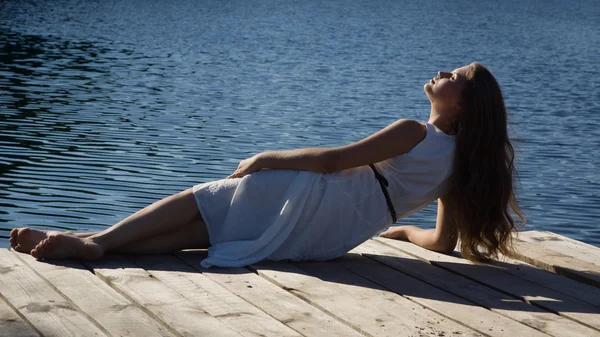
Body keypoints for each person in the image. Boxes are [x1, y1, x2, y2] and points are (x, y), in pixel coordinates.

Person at [9, 62, 525, 267]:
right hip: (334, 235)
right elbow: (443, 243)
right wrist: (394, 232)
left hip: (322, 197)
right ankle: (92, 240)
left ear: (462, 104)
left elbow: (331, 162)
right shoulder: (463, 167)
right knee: (210, 232)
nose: (441, 71)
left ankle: (96, 241)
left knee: (204, 201)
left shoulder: (416, 130)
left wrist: (264, 157)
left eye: (454, 74)